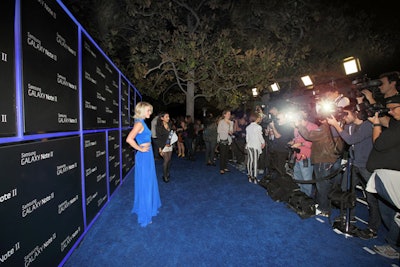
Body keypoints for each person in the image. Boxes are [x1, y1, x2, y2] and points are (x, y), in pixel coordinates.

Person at [327, 101, 380, 238]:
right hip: (354, 164)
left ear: (356, 114)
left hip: (366, 166)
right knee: (346, 190)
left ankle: (373, 228)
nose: (344, 117)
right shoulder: (350, 125)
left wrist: (337, 126)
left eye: (346, 114)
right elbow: (337, 134)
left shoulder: (368, 126)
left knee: (372, 197)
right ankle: (349, 216)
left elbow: (351, 140)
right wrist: (334, 123)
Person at [365, 94, 400, 259]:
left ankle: (393, 246)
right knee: (387, 212)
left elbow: (378, 143)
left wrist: (376, 124)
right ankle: (393, 243)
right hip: (385, 176)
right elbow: (386, 119)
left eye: (394, 109)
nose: (391, 112)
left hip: (394, 177)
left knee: (395, 214)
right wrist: (376, 111)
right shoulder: (396, 123)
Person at [126, 101, 161, 227]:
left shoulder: (141, 122)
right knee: (145, 183)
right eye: (148, 110)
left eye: (150, 110)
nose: (150, 113)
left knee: (147, 181)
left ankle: (148, 207)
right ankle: (145, 213)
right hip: (144, 155)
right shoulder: (139, 124)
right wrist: (140, 149)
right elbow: (129, 139)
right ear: (141, 111)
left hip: (148, 155)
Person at [290, 110, 318, 197]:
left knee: (306, 179)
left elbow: (315, 142)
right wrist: (293, 142)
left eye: (295, 121)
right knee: (298, 177)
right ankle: (300, 196)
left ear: (301, 120)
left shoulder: (313, 127)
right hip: (297, 156)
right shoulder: (296, 128)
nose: (294, 123)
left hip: (307, 156)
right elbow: (297, 138)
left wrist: (301, 144)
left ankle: (307, 198)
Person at [245, 112, 265, 184]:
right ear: (256, 118)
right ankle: (255, 177)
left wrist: (247, 143)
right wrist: (263, 142)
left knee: (250, 161)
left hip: (249, 145)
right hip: (256, 146)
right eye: (259, 117)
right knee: (255, 161)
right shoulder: (258, 127)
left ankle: (250, 176)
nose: (260, 118)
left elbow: (247, 138)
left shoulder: (248, 127)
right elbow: (260, 136)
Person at [156, 111, 174, 183]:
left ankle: (167, 172)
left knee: (169, 160)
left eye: (168, 116)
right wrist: (160, 149)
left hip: (170, 144)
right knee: (166, 160)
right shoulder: (159, 127)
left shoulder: (169, 124)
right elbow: (159, 138)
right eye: (166, 117)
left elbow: (171, 133)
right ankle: (165, 176)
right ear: (162, 118)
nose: (168, 118)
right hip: (163, 146)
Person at [217, 109, 234, 174]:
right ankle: (221, 168)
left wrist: (231, 132)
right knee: (222, 154)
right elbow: (218, 131)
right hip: (222, 139)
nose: (229, 115)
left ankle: (225, 167)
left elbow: (231, 131)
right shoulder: (221, 122)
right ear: (224, 115)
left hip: (228, 139)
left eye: (230, 114)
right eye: (228, 114)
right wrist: (227, 131)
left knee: (226, 154)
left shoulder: (231, 122)